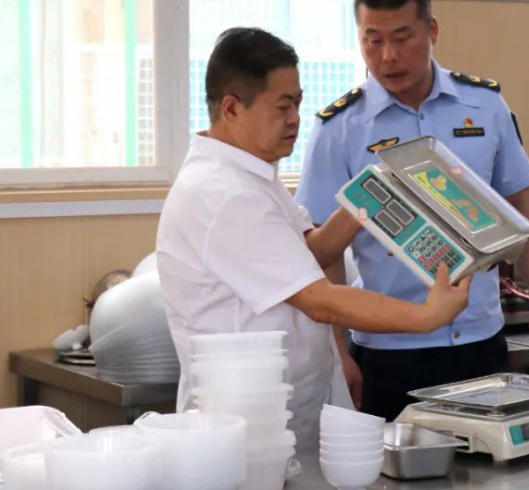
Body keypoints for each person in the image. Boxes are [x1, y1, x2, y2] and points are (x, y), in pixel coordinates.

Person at [156, 27, 471, 450]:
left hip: (285, 410)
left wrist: (372, 196)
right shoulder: (224, 193)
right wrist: (426, 316)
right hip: (246, 426)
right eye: (282, 106)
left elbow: (312, 251)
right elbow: (319, 300)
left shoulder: (252, 175)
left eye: (298, 104)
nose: (295, 119)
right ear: (231, 108)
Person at [296, 0, 529, 421]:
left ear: (432, 30)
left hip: (479, 341)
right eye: (372, 41)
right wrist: (336, 352)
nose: (388, 56)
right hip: (388, 349)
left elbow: (522, 207)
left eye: (402, 38)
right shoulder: (339, 127)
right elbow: (324, 255)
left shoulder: (484, 106)